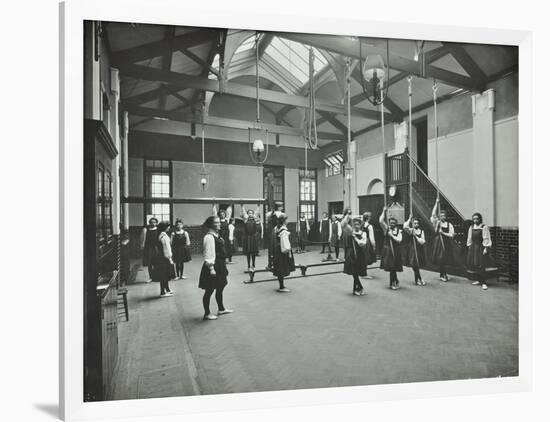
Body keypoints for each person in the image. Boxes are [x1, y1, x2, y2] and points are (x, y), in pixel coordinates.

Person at [199, 216, 233, 320]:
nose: (219, 224)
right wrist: (211, 268)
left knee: (220, 287)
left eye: (219, 222)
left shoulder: (217, 235)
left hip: (220, 264)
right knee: (209, 290)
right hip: (213, 265)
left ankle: (221, 309)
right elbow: (208, 253)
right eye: (217, 223)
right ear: (211, 224)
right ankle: (207, 313)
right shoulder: (209, 237)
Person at [341, 214, 368, 296]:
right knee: (354, 271)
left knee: (356, 271)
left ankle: (355, 289)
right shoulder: (350, 231)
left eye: (358, 224)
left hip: (359, 254)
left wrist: (355, 238)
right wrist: (347, 217)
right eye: (355, 224)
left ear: (360, 225)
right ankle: (360, 287)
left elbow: (362, 244)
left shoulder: (363, 233)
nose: (356, 225)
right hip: (351, 253)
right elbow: (343, 224)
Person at [466, 212, 493, 290]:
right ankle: (479, 280)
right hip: (473, 247)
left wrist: (486, 248)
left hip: (481, 247)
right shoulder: (471, 227)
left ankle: (484, 283)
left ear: (480, 219)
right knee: (475, 264)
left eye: (477, 219)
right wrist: (469, 246)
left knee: (482, 264)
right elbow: (469, 238)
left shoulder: (484, 227)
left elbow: (486, 238)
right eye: (474, 219)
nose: (475, 220)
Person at [430, 199, 455, 281]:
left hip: (446, 242)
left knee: (444, 259)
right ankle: (442, 275)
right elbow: (433, 214)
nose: (442, 217)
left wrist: (443, 233)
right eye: (440, 216)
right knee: (440, 259)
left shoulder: (449, 224)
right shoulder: (437, 223)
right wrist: (436, 203)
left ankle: (444, 274)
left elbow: (452, 235)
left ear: (445, 216)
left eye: (443, 215)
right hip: (438, 243)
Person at [379, 207, 403, 290]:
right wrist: (384, 210)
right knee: (391, 267)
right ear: (389, 223)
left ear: (396, 223)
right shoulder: (387, 229)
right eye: (391, 223)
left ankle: (395, 280)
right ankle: (393, 282)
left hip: (396, 251)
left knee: (394, 267)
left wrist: (392, 235)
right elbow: (381, 221)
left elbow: (399, 240)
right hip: (389, 251)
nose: (392, 224)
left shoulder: (399, 231)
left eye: (393, 223)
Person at [271, 213, 294, 292]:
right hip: (282, 251)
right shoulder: (283, 230)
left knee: (279, 267)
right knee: (282, 267)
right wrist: (288, 251)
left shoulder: (276, 228)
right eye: (287, 219)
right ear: (284, 221)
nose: (288, 221)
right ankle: (282, 287)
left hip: (277, 250)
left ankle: (281, 285)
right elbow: (285, 243)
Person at [152, 221, 174, 297]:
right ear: (165, 228)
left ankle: (167, 289)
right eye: (168, 226)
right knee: (164, 275)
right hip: (164, 258)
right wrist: (170, 258)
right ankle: (162, 292)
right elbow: (167, 249)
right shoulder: (164, 237)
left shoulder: (160, 235)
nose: (169, 228)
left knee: (165, 274)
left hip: (160, 257)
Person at [404, 215, 427, 286]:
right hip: (412, 249)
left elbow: (423, 241)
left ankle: (417, 279)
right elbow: (404, 227)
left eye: (417, 223)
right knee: (414, 265)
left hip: (419, 250)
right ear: (412, 224)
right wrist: (409, 219)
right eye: (414, 223)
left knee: (417, 265)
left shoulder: (421, 231)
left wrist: (416, 236)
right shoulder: (411, 230)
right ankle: (419, 278)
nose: (416, 224)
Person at [265, 201, 284, 270]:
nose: (282, 208)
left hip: (271, 234)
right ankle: (279, 264)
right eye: (281, 206)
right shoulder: (282, 215)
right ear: (279, 207)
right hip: (279, 233)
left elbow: (268, 223)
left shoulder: (269, 214)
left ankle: (270, 264)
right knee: (279, 249)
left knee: (271, 249)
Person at [241, 205, 260, 271]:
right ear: (247, 214)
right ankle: (248, 265)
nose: (250, 214)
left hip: (253, 238)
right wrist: (242, 206)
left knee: (253, 252)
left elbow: (256, 212)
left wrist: (258, 206)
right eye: (249, 213)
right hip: (248, 238)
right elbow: (243, 213)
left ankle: (253, 264)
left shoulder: (255, 220)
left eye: (251, 213)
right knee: (248, 253)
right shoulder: (246, 220)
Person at [141, 217, 158, 282]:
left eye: (154, 222)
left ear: (156, 223)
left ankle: (156, 276)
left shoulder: (158, 230)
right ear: (149, 223)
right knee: (150, 263)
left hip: (156, 247)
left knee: (156, 262)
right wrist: (143, 246)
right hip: (149, 248)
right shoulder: (146, 230)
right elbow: (144, 239)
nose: (153, 223)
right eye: (151, 222)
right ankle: (150, 277)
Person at [361, 212, 377, 279]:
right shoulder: (369, 226)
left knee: (362, 257)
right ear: (368, 218)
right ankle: (364, 274)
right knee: (366, 257)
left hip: (361, 242)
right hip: (367, 242)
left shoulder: (361, 225)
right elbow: (372, 237)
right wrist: (374, 245)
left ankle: (362, 272)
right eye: (370, 217)